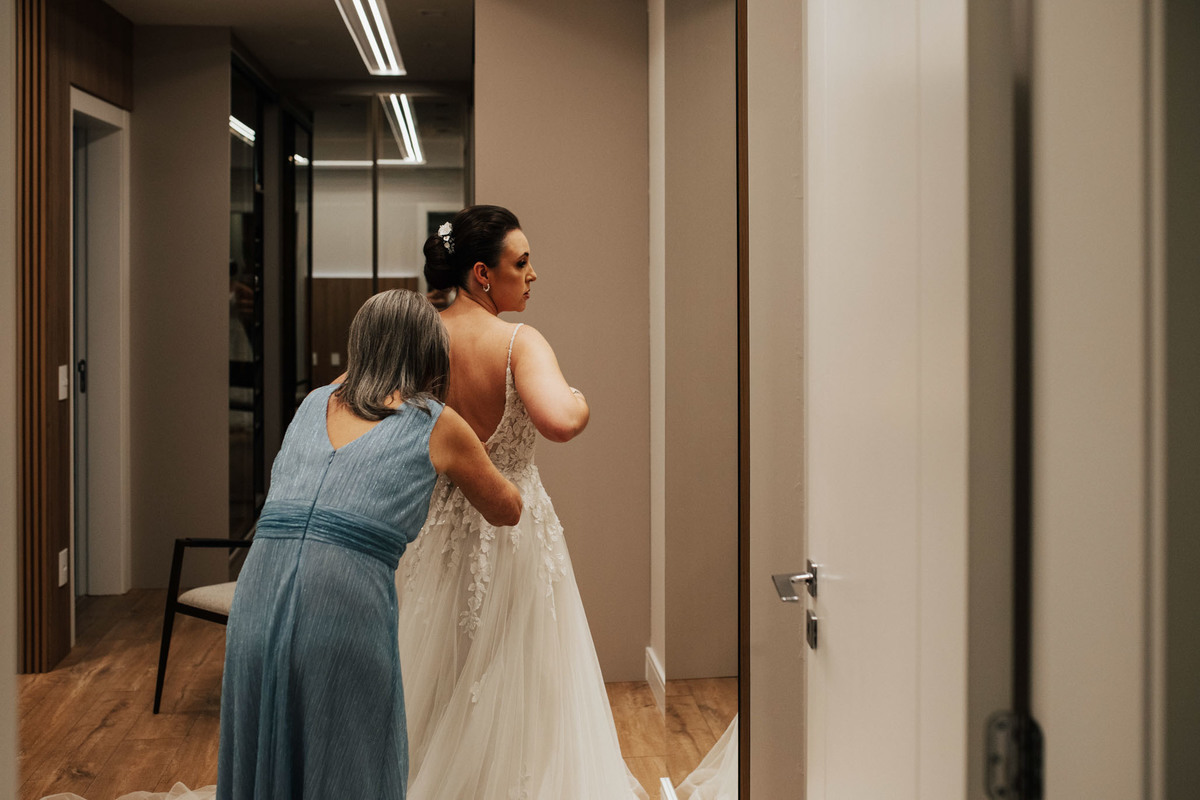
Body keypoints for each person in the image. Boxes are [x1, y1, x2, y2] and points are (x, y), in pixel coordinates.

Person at [395, 206, 649, 799]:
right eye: (522, 263)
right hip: (509, 526)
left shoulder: (421, 339)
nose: (533, 275)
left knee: (439, 665)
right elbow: (559, 420)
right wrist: (580, 397)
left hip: (434, 525)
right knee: (518, 668)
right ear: (482, 274)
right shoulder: (517, 342)